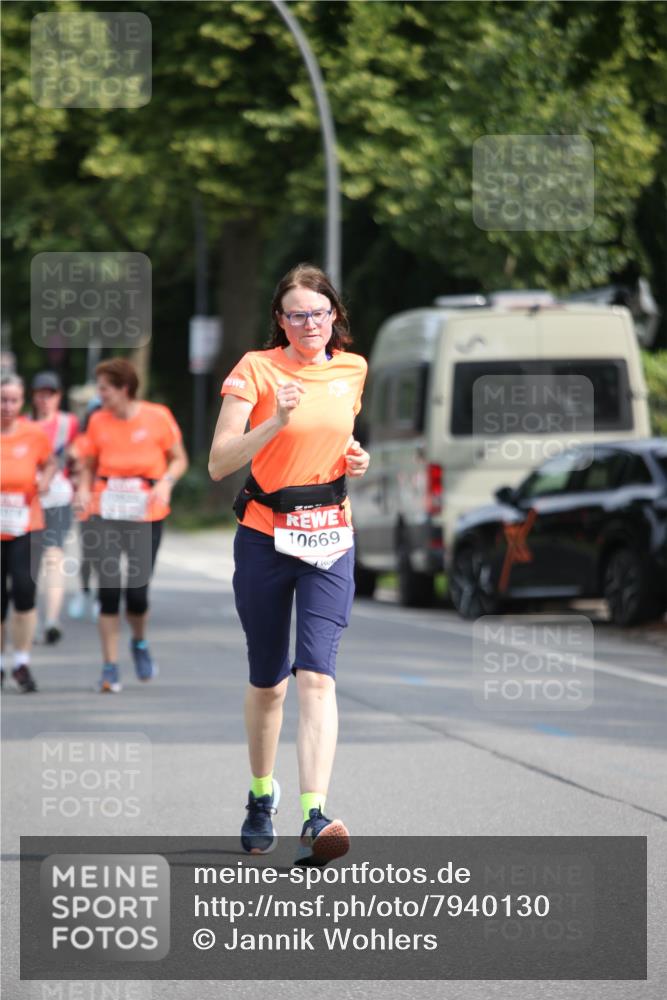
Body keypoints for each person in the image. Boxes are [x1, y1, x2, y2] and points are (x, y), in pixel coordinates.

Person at [209, 263, 370, 867]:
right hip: (264, 536)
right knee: (269, 683)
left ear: (335, 316)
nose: (310, 324)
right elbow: (219, 463)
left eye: (320, 312)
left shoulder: (352, 369)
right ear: (280, 320)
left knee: (318, 676)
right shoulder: (255, 369)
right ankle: (259, 796)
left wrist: (356, 459)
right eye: (297, 314)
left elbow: (335, 442)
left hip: (330, 535)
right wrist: (274, 420)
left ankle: (315, 815)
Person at [74, 359, 188, 693]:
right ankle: (109, 667)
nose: (100, 395)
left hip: (146, 512)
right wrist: (82, 489)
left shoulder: (158, 417)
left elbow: (179, 458)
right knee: (108, 590)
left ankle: (138, 642)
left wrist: (166, 481)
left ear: (124, 389)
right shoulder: (97, 420)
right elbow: (87, 463)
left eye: (105, 389)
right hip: (105, 510)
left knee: (136, 595)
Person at [1, 374, 56, 692]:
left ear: (21, 402)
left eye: (12, 400)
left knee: (24, 591)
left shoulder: (33, 434)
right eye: (2, 399)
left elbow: (50, 462)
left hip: (26, 525)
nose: (7, 406)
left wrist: (46, 478)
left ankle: (21, 662)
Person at [31, 371, 79, 644]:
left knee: (54, 556)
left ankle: (51, 620)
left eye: (51, 394)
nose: (45, 399)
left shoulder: (69, 424)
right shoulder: (23, 424)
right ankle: (30, 617)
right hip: (29, 500)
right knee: (30, 563)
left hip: (59, 498)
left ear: (58, 397)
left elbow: (83, 454)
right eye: (41, 394)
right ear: (34, 396)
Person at [67, 395, 102, 622]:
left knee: (109, 555)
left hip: (113, 507)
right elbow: (73, 462)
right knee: (90, 553)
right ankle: (84, 591)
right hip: (88, 504)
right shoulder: (83, 440)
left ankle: (102, 596)